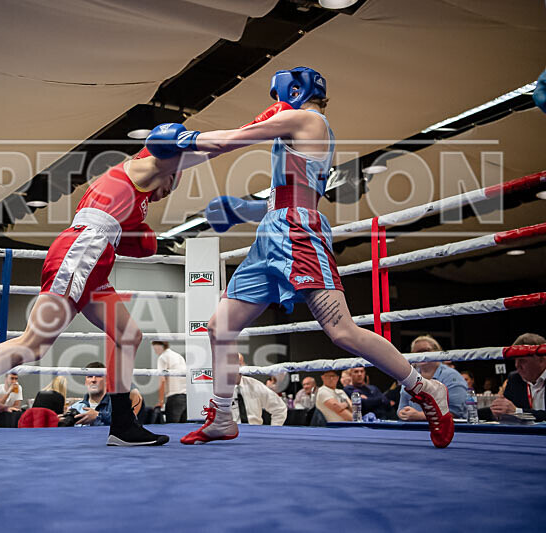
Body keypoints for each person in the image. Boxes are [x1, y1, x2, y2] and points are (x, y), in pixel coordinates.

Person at [146, 66, 454, 448]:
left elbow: (235, 138)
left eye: (278, 95)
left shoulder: (307, 119)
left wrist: (185, 139)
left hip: (298, 232)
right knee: (219, 327)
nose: (277, 102)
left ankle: (424, 387)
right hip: (274, 231)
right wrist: (243, 209)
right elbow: (290, 194)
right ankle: (223, 416)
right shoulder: (302, 128)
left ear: (294, 91)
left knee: (342, 331)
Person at [0, 148, 185, 451]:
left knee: (128, 335)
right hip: (79, 254)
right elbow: (171, 148)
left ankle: (122, 425)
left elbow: (135, 239)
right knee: (34, 344)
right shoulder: (140, 170)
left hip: (96, 266)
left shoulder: (137, 203)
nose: (165, 193)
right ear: (165, 169)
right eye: (170, 184)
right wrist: (230, 137)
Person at [397, 335, 468, 421]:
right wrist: (403, 413)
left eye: (426, 351)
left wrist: (420, 416)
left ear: (437, 352)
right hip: (414, 427)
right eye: (417, 352)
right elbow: (402, 408)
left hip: (450, 427)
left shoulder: (452, 376)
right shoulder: (410, 377)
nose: (422, 355)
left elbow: (455, 412)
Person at [488, 333, 546, 422]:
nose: (517, 365)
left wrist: (518, 412)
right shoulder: (515, 379)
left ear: (541, 360)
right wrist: (498, 411)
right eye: (515, 360)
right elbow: (505, 412)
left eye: (522, 361)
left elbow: (513, 411)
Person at [67, 362, 143, 427]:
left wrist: (99, 416)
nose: (93, 380)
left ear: (107, 381)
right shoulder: (75, 407)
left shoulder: (117, 404)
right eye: (90, 376)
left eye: (98, 376)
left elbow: (128, 422)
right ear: (85, 382)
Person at [233, 354, 286, 425]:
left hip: (255, 429)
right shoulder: (218, 390)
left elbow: (279, 408)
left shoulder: (255, 385)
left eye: (239, 364)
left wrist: (274, 429)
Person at [152, 341, 187, 423]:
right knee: (184, 427)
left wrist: (161, 401)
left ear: (158, 346)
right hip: (186, 397)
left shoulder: (163, 357)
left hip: (174, 397)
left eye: (154, 349)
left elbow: (162, 380)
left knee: (171, 427)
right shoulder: (178, 356)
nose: (155, 351)